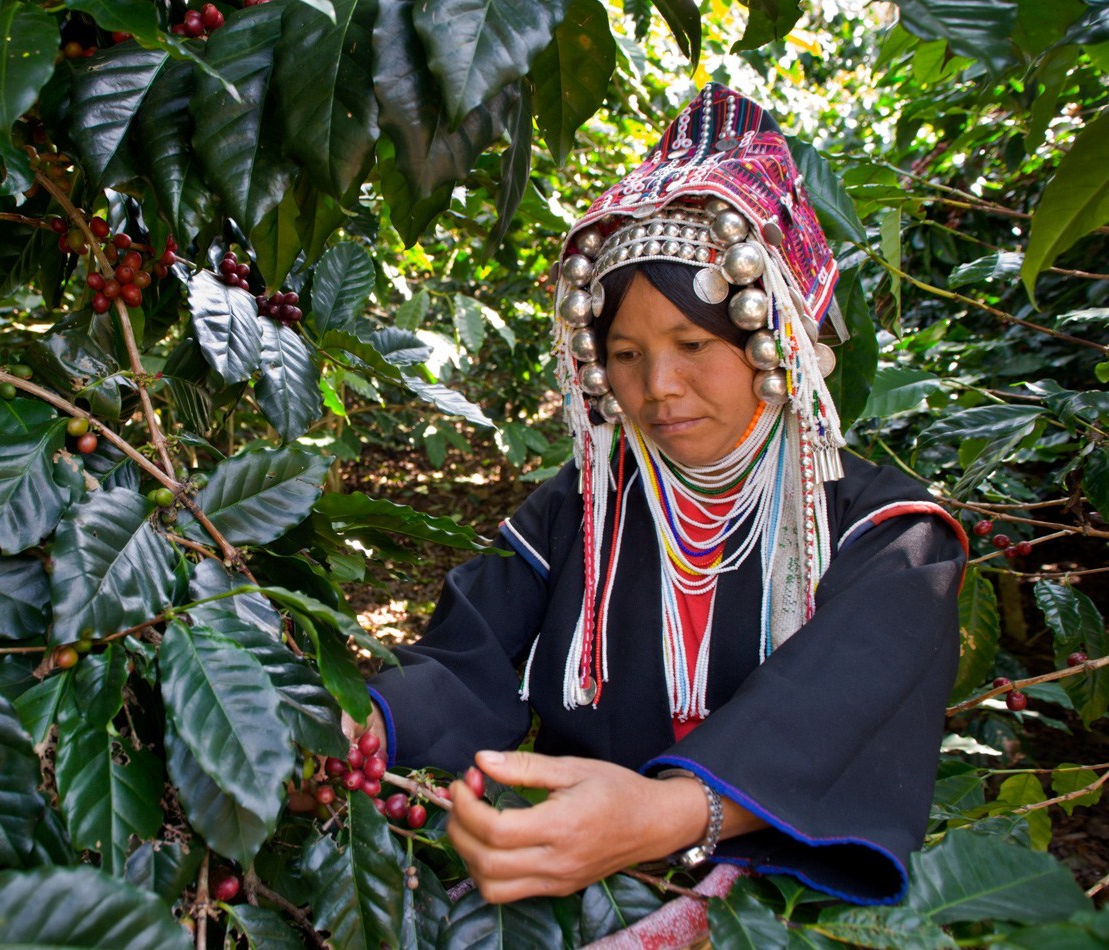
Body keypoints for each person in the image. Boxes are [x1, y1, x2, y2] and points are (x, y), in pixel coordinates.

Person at [354, 84, 967, 907]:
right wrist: (360, 724)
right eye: (627, 353)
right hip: (582, 889)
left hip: (793, 906)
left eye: (692, 343)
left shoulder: (889, 536)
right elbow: (466, 657)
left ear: (775, 345)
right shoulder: (584, 505)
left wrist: (671, 813)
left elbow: (842, 710)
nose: (658, 386)